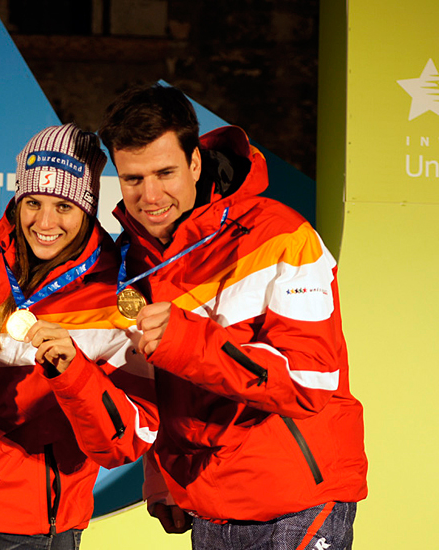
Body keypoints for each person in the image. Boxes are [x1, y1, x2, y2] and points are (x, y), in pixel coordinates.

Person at [97, 84, 368, 550]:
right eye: (133, 179)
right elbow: (158, 389)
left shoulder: (281, 235)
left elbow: (310, 381)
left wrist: (188, 340)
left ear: (196, 163)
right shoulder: (131, 263)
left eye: (165, 173)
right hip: (209, 505)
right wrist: (163, 477)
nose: (150, 195)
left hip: (296, 501)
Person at [0, 123, 159, 549]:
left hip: (32, 530)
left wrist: (74, 371)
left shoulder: (119, 292)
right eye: (33, 202)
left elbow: (128, 438)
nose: (45, 222)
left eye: (64, 205)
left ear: (88, 207)